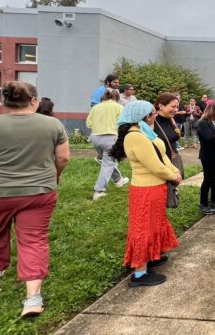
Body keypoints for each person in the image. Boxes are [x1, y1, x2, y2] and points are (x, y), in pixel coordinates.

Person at [0, 81, 70, 317]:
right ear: (34, 101)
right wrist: (53, 177)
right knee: (33, 240)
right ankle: (33, 299)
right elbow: (64, 158)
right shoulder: (52, 124)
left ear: (4, 101)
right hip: (38, 192)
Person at [109, 100, 181, 287]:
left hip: (155, 188)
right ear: (144, 116)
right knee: (143, 229)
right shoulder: (135, 136)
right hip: (146, 190)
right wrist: (173, 176)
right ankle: (139, 273)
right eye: (152, 113)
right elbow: (155, 166)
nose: (155, 114)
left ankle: (152, 256)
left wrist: (174, 171)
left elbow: (162, 155)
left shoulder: (145, 132)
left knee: (155, 225)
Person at [86, 89, 129, 200]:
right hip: (110, 137)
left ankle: (118, 180)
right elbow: (124, 123)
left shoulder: (95, 107)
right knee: (108, 164)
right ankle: (99, 191)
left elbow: (88, 123)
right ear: (117, 97)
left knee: (107, 161)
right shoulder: (119, 107)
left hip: (95, 138)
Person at [196, 103, 215, 215]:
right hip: (208, 156)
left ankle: (214, 200)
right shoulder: (203, 123)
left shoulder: (214, 122)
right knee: (208, 179)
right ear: (212, 111)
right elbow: (209, 139)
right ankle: (203, 203)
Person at [152, 93, 182, 161]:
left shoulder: (171, 119)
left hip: (173, 159)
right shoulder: (152, 122)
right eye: (173, 106)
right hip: (159, 162)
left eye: (177, 107)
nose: (176, 110)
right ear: (161, 106)